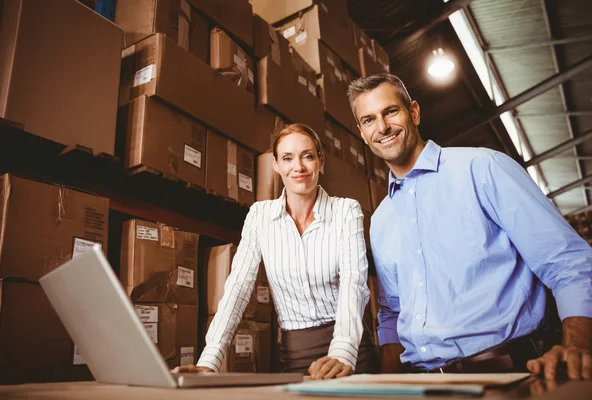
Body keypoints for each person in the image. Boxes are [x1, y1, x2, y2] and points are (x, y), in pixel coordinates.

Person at [346, 73, 592, 380]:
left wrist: (577, 346)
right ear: (361, 132)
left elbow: (567, 260)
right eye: (368, 120)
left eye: (390, 112)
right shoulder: (381, 220)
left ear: (414, 112)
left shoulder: (483, 169)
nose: (382, 127)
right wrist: (390, 382)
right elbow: (391, 312)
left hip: (503, 372)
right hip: (421, 382)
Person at [174, 123, 380, 379]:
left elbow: (354, 281)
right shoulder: (260, 216)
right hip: (296, 354)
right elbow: (238, 287)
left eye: (307, 156)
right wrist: (210, 359)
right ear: (276, 165)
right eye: (287, 158)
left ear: (320, 161)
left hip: (352, 352)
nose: (299, 167)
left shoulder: (346, 211)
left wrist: (344, 350)